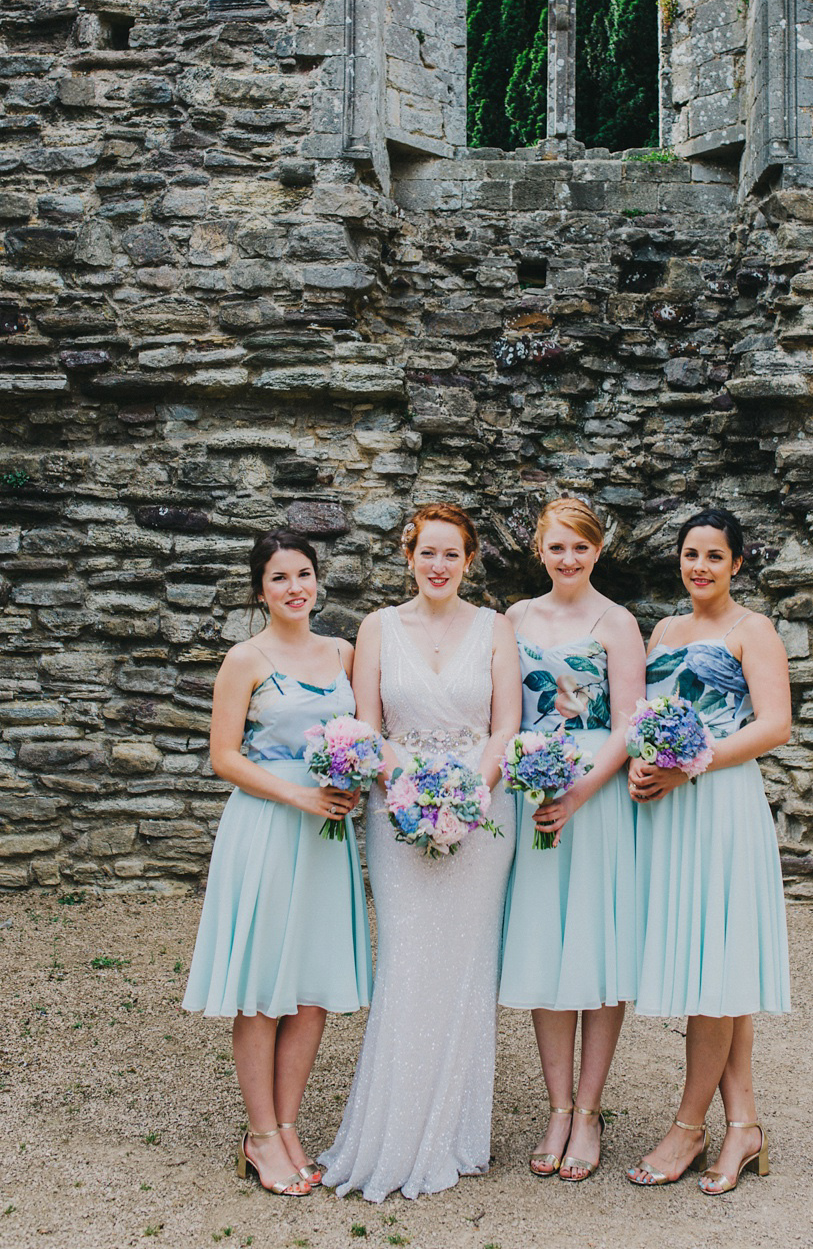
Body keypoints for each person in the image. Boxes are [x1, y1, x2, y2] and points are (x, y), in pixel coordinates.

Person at [319, 503, 520, 1202]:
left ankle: (456, 1133)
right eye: (427, 553)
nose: (439, 566)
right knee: (405, 961)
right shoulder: (377, 628)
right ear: (409, 556)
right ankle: (392, 1132)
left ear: (469, 561)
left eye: (452, 554)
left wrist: (470, 793)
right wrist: (409, 788)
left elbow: (507, 725)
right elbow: (367, 725)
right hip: (395, 808)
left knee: (466, 965)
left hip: (482, 814)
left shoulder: (497, 629)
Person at [183, 528, 372, 1197]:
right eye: (279, 578)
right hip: (268, 826)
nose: (295, 588)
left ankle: (289, 1125)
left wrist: (356, 782)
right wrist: (298, 793)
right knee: (265, 988)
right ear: (260, 590)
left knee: (313, 988)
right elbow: (224, 756)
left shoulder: (345, 653)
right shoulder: (247, 658)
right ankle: (260, 1138)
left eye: (303, 574)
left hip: (327, 838)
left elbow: (370, 733)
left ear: (318, 580)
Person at [627, 507, 791, 1195]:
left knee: (715, 970)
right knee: (715, 964)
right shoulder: (663, 630)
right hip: (670, 811)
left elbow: (776, 724)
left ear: (737, 563)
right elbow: (643, 717)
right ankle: (745, 1125)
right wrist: (643, 765)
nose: (700, 567)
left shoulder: (752, 630)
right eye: (691, 555)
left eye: (714, 557)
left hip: (720, 804)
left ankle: (689, 1126)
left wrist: (693, 761)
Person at [499, 497, 645, 1182]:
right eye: (557, 547)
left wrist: (582, 791)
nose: (568, 559)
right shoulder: (515, 619)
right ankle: (556, 1106)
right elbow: (502, 713)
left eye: (580, 548)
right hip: (533, 793)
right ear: (539, 548)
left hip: (597, 795)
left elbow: (627, 723)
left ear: (597, 550)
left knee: (596, 941)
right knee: (545, 944)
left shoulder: (616, 622)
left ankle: (589, 1111)